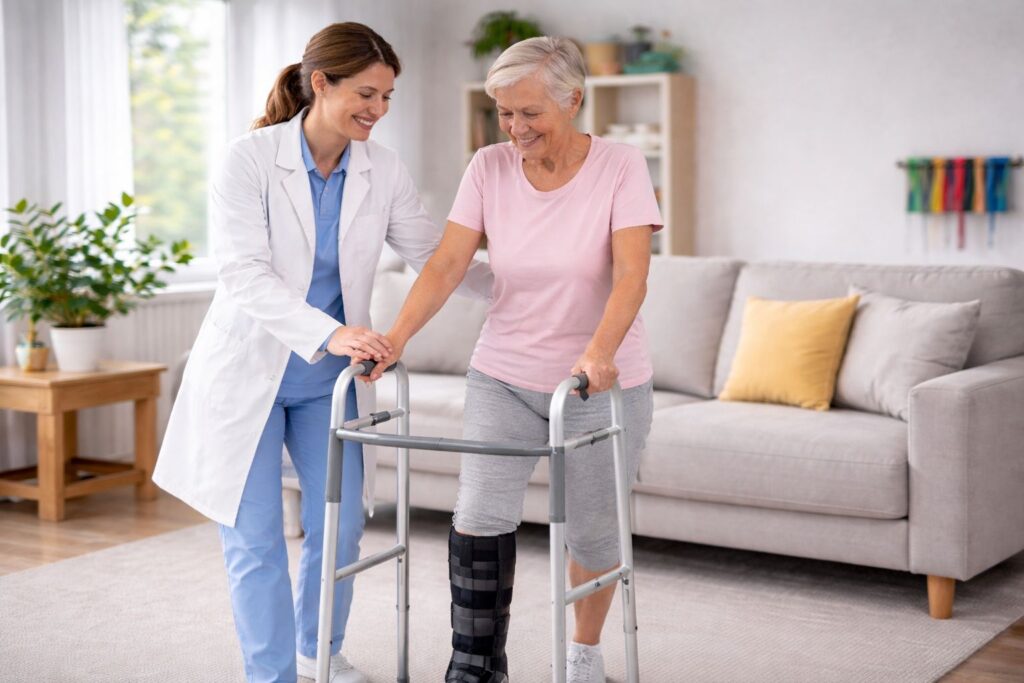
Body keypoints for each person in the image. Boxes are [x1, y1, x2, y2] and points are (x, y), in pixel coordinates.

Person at [152, 22, 491, 683]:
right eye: (366, 93)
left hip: (328, 382)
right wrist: (330, 331)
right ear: (320, 84)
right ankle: (272, 674)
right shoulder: (248, 159)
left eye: (388, 97)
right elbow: (245, 274)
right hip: (248, 372)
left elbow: (436, 256)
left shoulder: (381, 168)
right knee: (256, 542)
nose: (378, 110)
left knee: (337, 528)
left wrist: (522, 281)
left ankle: (319, 651)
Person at [365, 36, 659, 683]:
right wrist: (397, 337)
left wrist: (599, 350)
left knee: (595, 535)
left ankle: (583, 652)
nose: (515, 128)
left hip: (596, 385)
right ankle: (475, 665)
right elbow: (446, 264)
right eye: (504, 113)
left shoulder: (620, 166)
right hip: (504, 372)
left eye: (530, 113)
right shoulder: (488, 168)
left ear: (573, 100)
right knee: (478, 517)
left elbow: (633, 275)